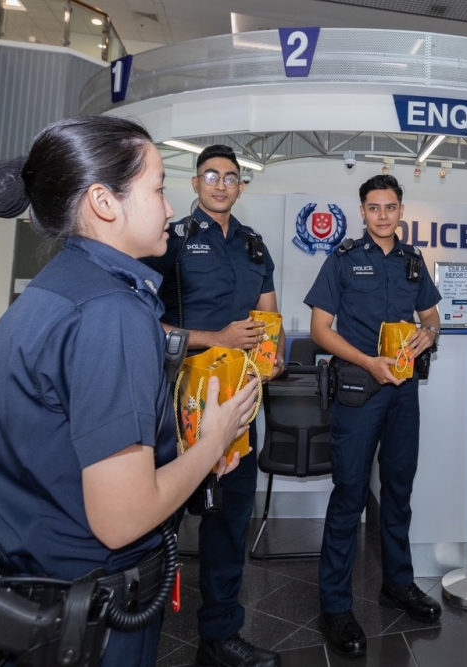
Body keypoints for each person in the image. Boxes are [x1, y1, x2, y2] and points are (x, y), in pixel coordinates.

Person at [0, 116, 258, 667]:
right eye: (157, 188)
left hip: (37, 591)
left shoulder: (57, 291)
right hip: (93, 615)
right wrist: (215, 438)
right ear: (105, 203)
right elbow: (123, 517)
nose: (170, 208)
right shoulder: (112, 313)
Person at [143, 144, 283, 667]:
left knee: (230, 519)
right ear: (196, 183)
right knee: (162, 515)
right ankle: (138, 632)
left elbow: (269, 315)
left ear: (241, 186)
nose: (221, 184)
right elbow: (146, 324)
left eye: (230, 177)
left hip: (242, 400)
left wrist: (275, 353)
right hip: (184, 400)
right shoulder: (171, 242)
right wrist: (216, 336)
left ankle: (220, 636)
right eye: (211, 176)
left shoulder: (254, 246)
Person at [305, 174, 442, 658]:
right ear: (362, 212)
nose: (383, 215)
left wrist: (429, 334)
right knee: (349, 498)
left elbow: (432, 315)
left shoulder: (412, 262)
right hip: (360, 391)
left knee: (399, 492)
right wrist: (367, 362)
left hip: (404, 392)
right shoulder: (343, 260)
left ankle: (397, 584)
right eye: (374, 208)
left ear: (401, 209)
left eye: (390, 207)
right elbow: (319, 329)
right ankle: (336, 606)